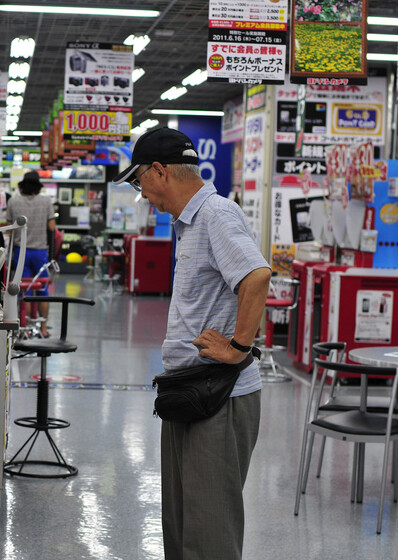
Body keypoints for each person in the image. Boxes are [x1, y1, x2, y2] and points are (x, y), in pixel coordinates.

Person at [113, 127, 271, 560]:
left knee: (208, 533)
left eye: (138, 180)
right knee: (182, 526)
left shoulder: (216, 215)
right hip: (189, 390)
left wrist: (238, 349)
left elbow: (256, 276)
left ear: (159, 171)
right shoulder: (191, 223)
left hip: (218, 396)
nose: (141, 193)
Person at [6, 170, 56, 338]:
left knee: (23, 290)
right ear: (38, 187)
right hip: (40, 252)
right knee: (43, 289)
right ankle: (42, 328)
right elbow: (52, 227)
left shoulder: (13, 202)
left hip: (21, 253)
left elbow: (9, 230)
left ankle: (25, 328)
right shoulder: (46, 202)